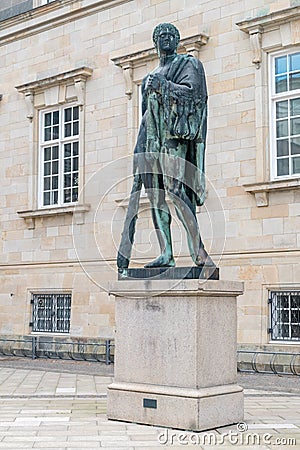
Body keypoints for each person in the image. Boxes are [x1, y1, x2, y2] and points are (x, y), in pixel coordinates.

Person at [117, 23, 213, 269]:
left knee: (176, 191)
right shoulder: (149, 76)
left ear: (177, 40)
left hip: (172, 137)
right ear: (155, 42)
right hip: (147, 139)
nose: (167, 39)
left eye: (171, 35)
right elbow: (145, 113)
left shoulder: (188, 64)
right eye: (161, 35)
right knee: (155, 196)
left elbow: (195, 95)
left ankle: (198, 251)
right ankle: (166, 253)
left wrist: (165, 86)